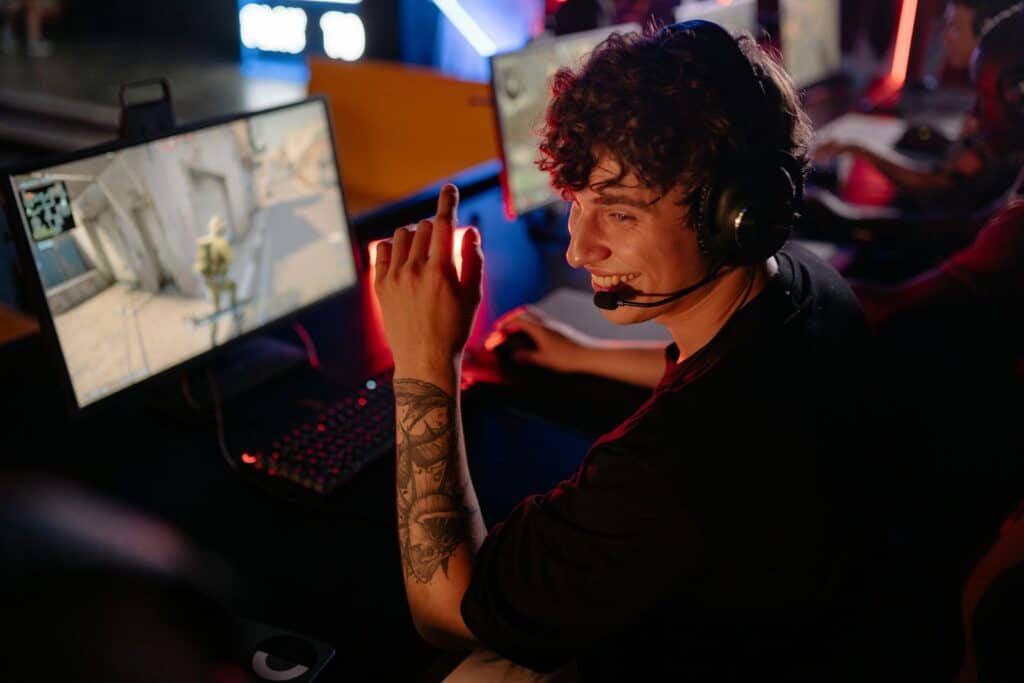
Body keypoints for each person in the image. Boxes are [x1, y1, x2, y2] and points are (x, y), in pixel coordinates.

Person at [374, 21, 887, 681]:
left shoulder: (669, 469)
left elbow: (442, 610)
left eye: (619, 213)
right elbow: (717, 373)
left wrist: (425, 359)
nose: (578, 249)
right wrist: (581, 352)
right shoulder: (810, 288)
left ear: (739, 213)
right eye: (576, 203)